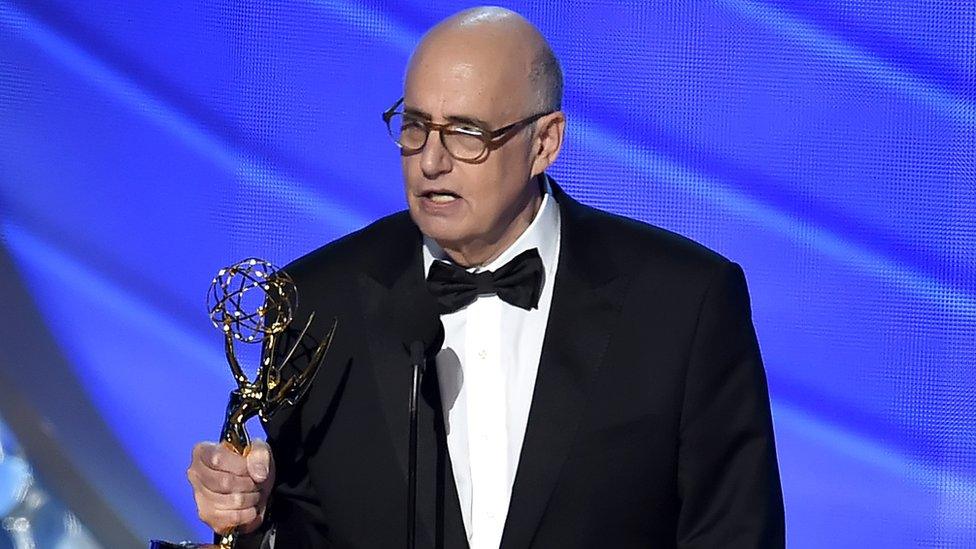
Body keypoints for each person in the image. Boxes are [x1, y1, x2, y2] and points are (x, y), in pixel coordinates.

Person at [187, 6, 785, 548]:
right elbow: (301, 531)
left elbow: (735, 535)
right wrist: (252, 518)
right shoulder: (316, 305)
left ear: (544, 142)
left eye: (467, 133)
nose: (430, 160)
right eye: (415, 126)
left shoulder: (684, 304)